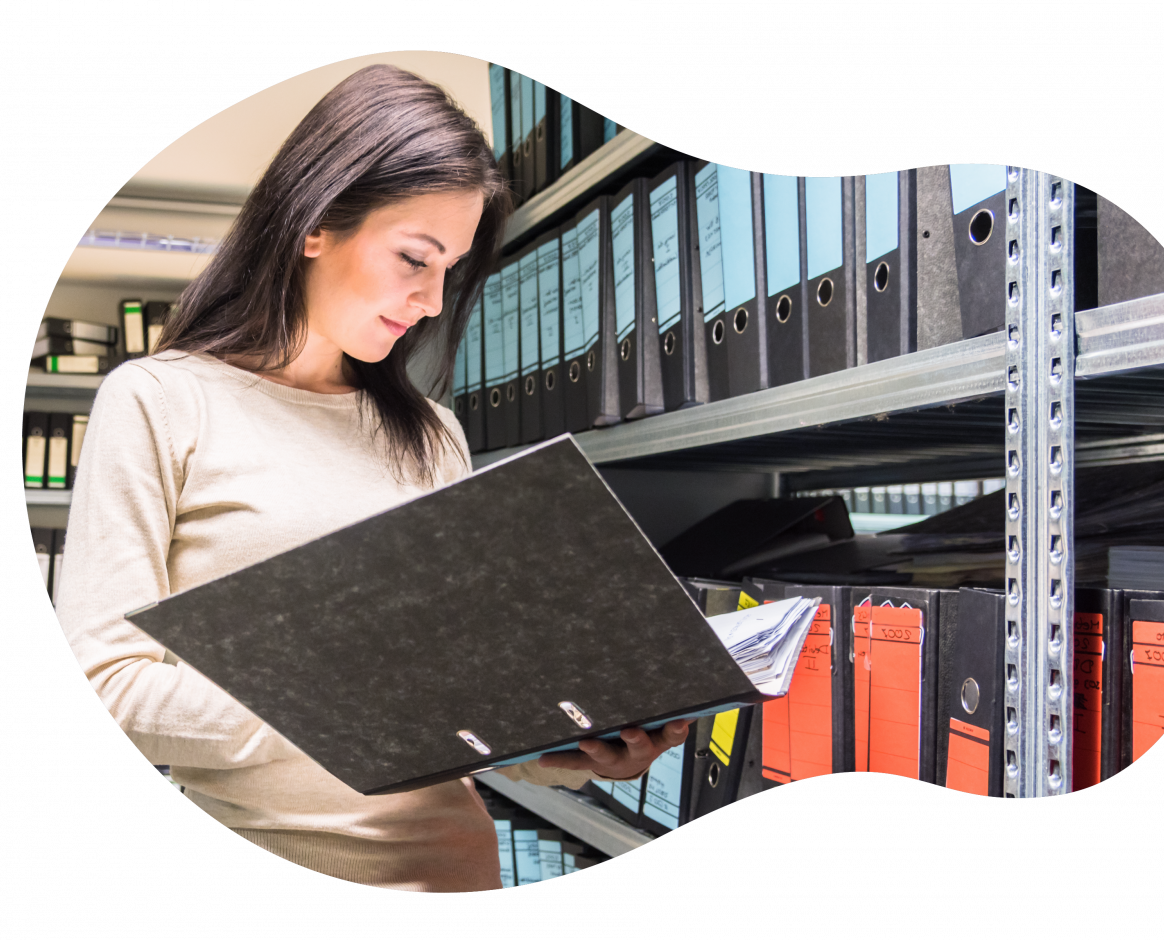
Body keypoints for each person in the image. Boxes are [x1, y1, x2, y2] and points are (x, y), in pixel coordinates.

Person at [55, 64, 691, 892]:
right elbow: (109, 686)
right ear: (315, 223)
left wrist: (574, 748)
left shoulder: (432, 436)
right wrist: (353, 710)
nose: (431, 302)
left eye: (448, 272)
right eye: (413, 259)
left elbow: (467, 708)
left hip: (456, 871)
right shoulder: (160, 402)